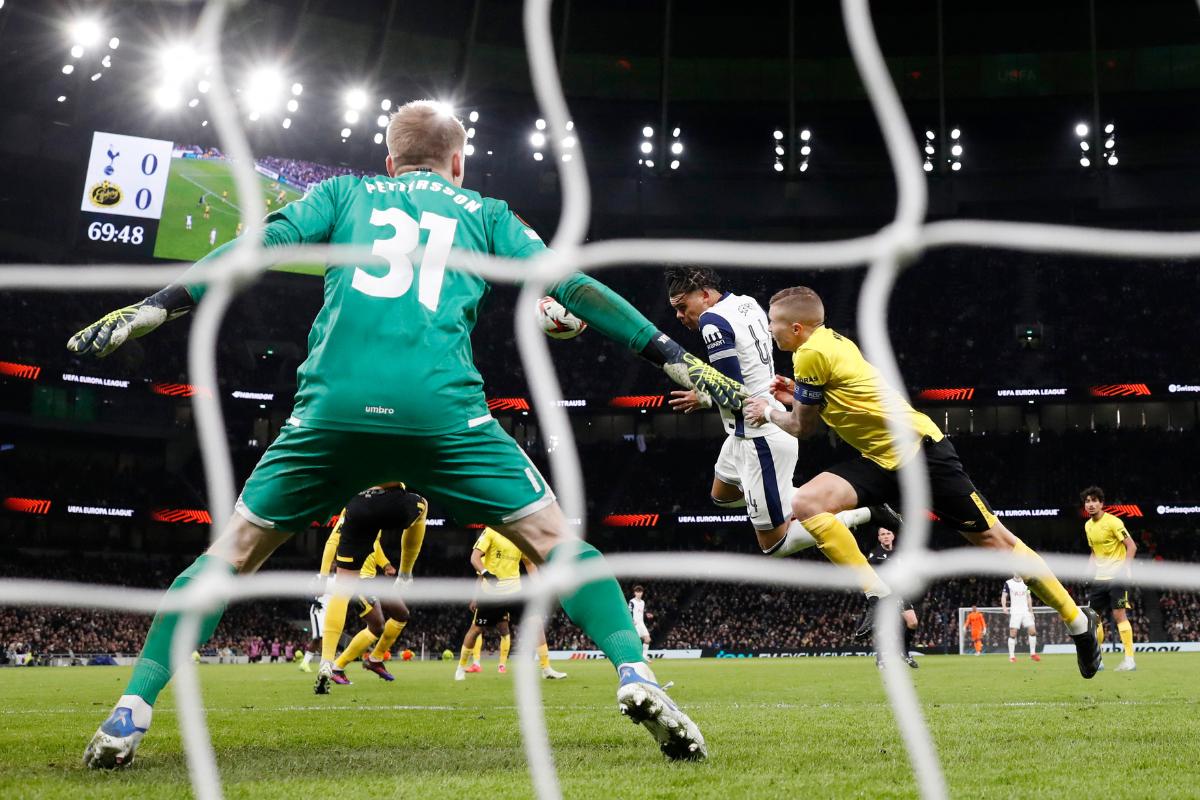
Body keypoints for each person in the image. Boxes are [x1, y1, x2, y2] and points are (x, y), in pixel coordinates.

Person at [75, 100, 726, 768]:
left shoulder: (342, 192)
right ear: (458, 162)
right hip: (440, 411)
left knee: (231, 556)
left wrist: (159, 306)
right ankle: (635, 675)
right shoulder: (487, 212)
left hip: (334, 410)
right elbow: (575, 288)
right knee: (559, 544)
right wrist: (675, 358)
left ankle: (133, 709)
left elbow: (258, 246)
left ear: (388, 160)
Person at [741, 286, 1100, 676]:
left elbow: (800, 428)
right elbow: (845, 397)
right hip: (881, 460)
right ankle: (879, 594)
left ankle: (1079, 626)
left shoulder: (809, 353)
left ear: (796, 327)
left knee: (998, 542)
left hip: (921, 454)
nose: (769, 330)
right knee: (808, 503)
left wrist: (769, 411)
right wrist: (799, 393)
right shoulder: (826, 342)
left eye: (773, 323)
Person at [664, 267, 898, 560]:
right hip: (751, 426)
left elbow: (733, 388)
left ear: (705, 295)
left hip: (758, 435)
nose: (679, 316)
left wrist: (705, 398)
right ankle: (785, 498)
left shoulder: (711, 322)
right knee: (722, 496)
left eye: (683, 307)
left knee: (774, 547)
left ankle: (862, 512)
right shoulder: (745, 301)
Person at [315, 484, 427, 691]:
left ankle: (366, 660)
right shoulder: (381, 498)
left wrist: (384, 564)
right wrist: (322, 575)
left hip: (370, 577)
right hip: (361, 581)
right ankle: (337, 666)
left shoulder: (357, 508)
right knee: (377, 626)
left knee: (401, 614)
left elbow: (373, 545)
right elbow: (332, 541)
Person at [455, 527, 566, 681]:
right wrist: (487, 574)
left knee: (536, 624)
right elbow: (475, 558)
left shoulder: (520, 537)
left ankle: (546, 668)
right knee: (475, 630)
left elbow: (529, 564)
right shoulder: (491, 532)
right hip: (491, 594)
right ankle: (461, 667)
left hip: (515, 592)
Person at [1082, 486, 1138, 672]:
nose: (1090, 504)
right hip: (1099, 578)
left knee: (1119, 615)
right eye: (1087, 501)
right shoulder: (1088, 526)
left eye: (1094, 501)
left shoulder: (1114, 522)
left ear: (1101, 503)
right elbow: (1094, 553)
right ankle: (1098, 660)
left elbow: (1131, 546)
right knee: (1094, 619)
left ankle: (1129, 660)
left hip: (1117, 576)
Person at [865, 527, 918, 669]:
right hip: (884, 594)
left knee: (912, 623)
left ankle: (904, 653)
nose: (886, 536)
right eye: (882, 534)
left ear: (893, 536)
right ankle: (881, 658)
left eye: (888, 533)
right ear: (879, 538)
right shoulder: (874, 555)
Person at [1001, 575, 1039, 663]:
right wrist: (1004, 607)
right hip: (1015, 611)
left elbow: (1028, 597)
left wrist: (1031, 611)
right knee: (1013, 633)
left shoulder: (1026, 583)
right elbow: (1004, 596)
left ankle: (1033, 654)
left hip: (1025, 611)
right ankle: (1012, 656)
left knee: (1033, 631)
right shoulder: (1008, 583)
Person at [629, 585, 651, 660]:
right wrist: (632, 620)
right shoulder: (632, 601)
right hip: (635, 624)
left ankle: (644, 656)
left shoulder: (643, 602)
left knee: (647, 639)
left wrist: (647, 614)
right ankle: (634, 656)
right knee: (636, 642)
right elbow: (629, 611)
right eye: (637, 592)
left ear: (642, 593)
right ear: (634, 593)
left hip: (642, 623)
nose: (639, 593)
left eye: (640, 592)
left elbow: (642, 611)